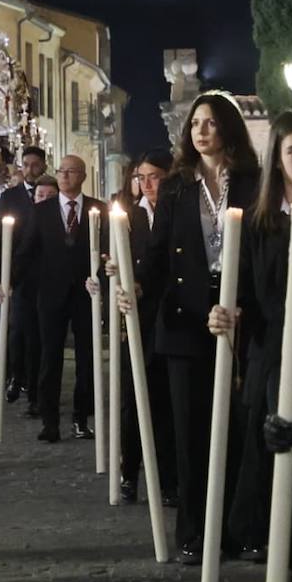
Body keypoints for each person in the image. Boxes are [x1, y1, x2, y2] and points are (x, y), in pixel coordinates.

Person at [140, 92, 260, 564]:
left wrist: (247, 304)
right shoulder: (176, 187)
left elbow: (263, 243)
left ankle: (242, 527)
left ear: (227, 128)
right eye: (195, 124)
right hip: (184, 317)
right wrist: (127, 284)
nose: (201, 131)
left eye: (210, 123)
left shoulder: (252, 182)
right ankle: (194, 532)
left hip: (237, 310)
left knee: (238, 426)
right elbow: (157, 251)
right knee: (191, 430)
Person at [229, 111, 292, 574]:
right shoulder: (261, 221)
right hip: (271, 345)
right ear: (277, 159)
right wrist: (231, 311)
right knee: (266, 437)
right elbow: (243, 285)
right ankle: (259, 529)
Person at [10, 154, 104, 442]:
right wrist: (8, 282)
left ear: (83, 176)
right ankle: (49, 421)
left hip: (87, 294)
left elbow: (108, 249)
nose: (64, 176)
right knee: (50, 357)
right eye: (61, 171)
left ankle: (81, 417)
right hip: (50, 294)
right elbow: (26, 252)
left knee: (87, 358)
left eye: (71, 171)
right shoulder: (41, 211)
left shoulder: (98, 210)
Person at [110, 148, 179, 506]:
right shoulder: (129, 219)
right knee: (133, 402)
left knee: (165, 402)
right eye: (142, 177)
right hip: (135, 319)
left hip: (169, 317)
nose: (148, 184)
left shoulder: (177, 215)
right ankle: (129, 472)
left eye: (155, 177)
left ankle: (169, 478)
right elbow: (112, 262)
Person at [0, 147, 46, 409]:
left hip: (45, 272)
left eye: (35, 165)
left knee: (38, 333)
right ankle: (17, 375)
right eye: (25, 164)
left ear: (44, 166)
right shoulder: (10, 196)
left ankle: (36, 387)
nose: (30, 170)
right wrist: (1, 274)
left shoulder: (50, 194)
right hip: (18, 271)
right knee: (17, 329)